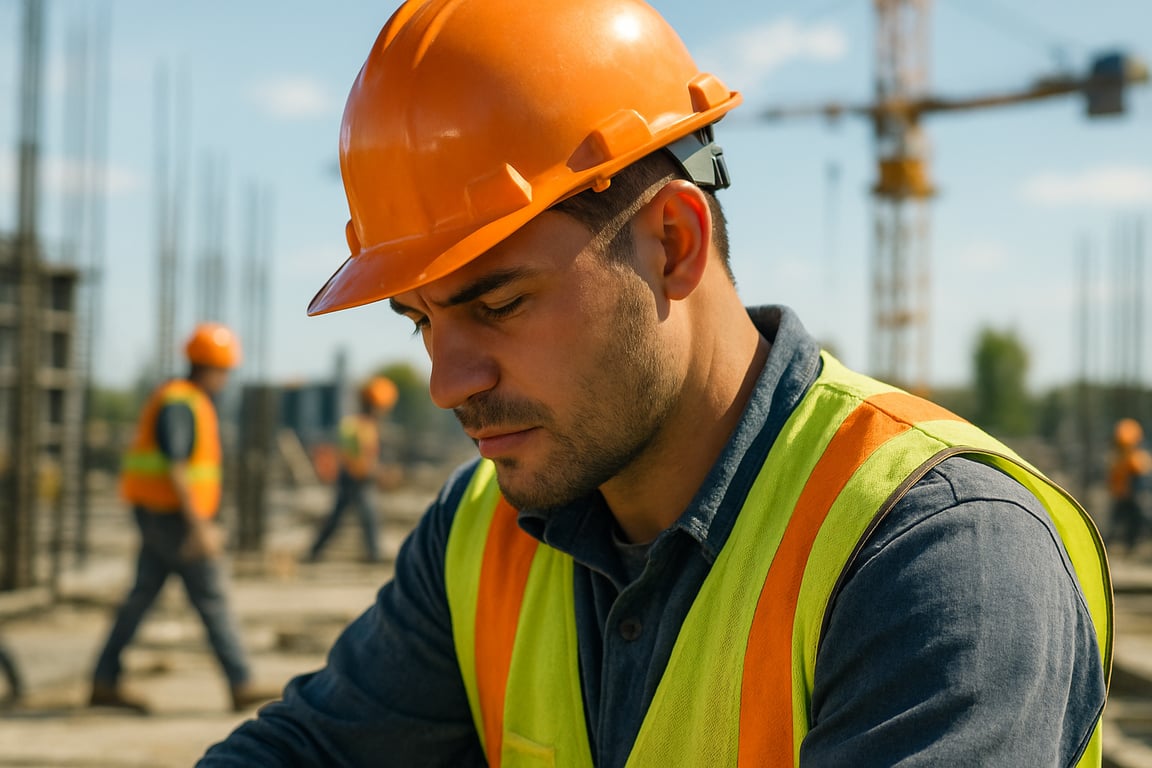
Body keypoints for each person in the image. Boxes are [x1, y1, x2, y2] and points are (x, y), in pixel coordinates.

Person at [200, 1, 1112, 764]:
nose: (447, 381)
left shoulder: (939, 558)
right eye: (422, 320)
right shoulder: (482, 534)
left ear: (672, 242)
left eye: (501, 303)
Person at [90, 323, 278, 714]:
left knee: (142, 597)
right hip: (172, 518)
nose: (226, 380)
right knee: (211, 595)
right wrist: (201, 527)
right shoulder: (181, 402)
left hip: (162, 515)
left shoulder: (185, 399)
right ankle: (240, 681)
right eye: (224, 371)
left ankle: (104, 679)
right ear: (209, 367)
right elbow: (176, 467)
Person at [306, 376, 398, 563]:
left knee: (356, 517)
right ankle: (373, 555)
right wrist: (377, 473)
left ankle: (371, 554)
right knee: (363, 517)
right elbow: (356, 459)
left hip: (356, 478)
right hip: (355, 480)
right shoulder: (358, 426)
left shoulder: (361, 425)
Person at [1106, 417, 1152, 556]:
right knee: (1121, 522)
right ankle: (1112, 545)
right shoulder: (1124, 459)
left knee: (1137, 521)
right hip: (1124, 496)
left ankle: (1127, 545)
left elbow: (1140, 478)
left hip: (1131, 496)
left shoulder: (1135, 458)